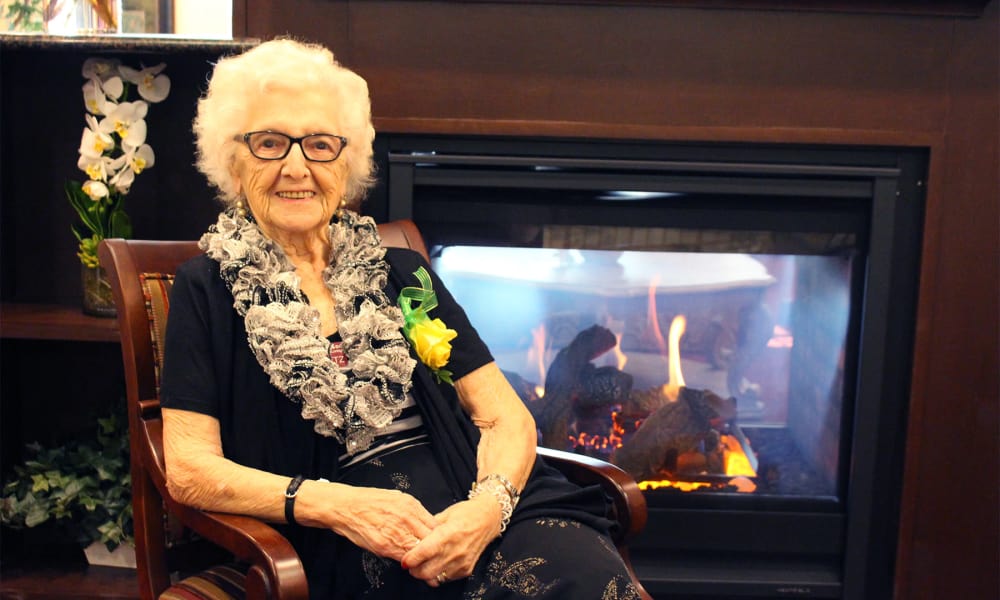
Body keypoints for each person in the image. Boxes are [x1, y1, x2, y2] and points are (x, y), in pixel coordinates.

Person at [159, 38, 641, 600]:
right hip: (345, 533)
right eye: (270, 143)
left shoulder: (402, 272)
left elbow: (506, 419)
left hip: (481, 504)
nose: (297, 167)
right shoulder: (206, 287)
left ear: (346, 163)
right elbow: (190, 470)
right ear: (233, 162)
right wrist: (336, 506)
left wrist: (485, 511)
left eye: (319, 144)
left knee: (583, 578)